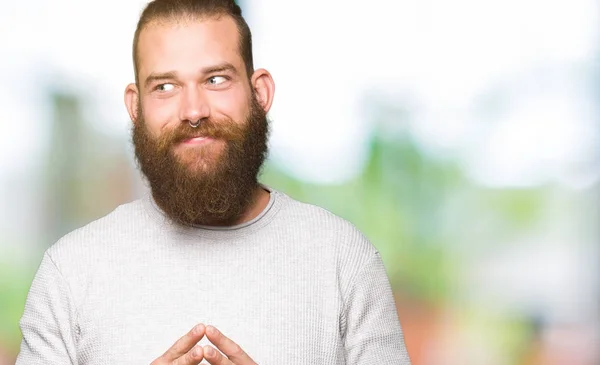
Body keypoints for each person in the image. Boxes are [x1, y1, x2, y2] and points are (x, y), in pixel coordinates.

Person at [15, 0, 412, 364]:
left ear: (259, 93)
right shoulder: (68, 273)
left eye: (216, 79)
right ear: (136, 107)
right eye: (165, 87)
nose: (193, 111)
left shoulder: (345, 262)